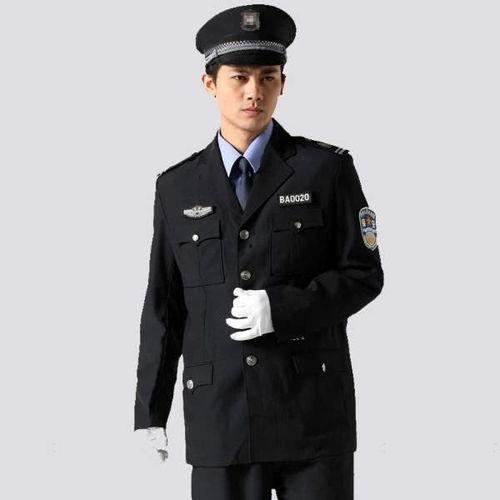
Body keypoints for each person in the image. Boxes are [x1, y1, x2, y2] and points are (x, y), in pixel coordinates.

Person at [133, 4, 384, 499]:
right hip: (220, 418)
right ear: (209, 84)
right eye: (239, 77)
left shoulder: (325, 170)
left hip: (312, 415)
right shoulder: (177, 187)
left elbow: (363, 274)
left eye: (268, 77)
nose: (254, 91)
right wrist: (150, 411)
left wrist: (282, 308)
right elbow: (165, 306)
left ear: (283, 84)